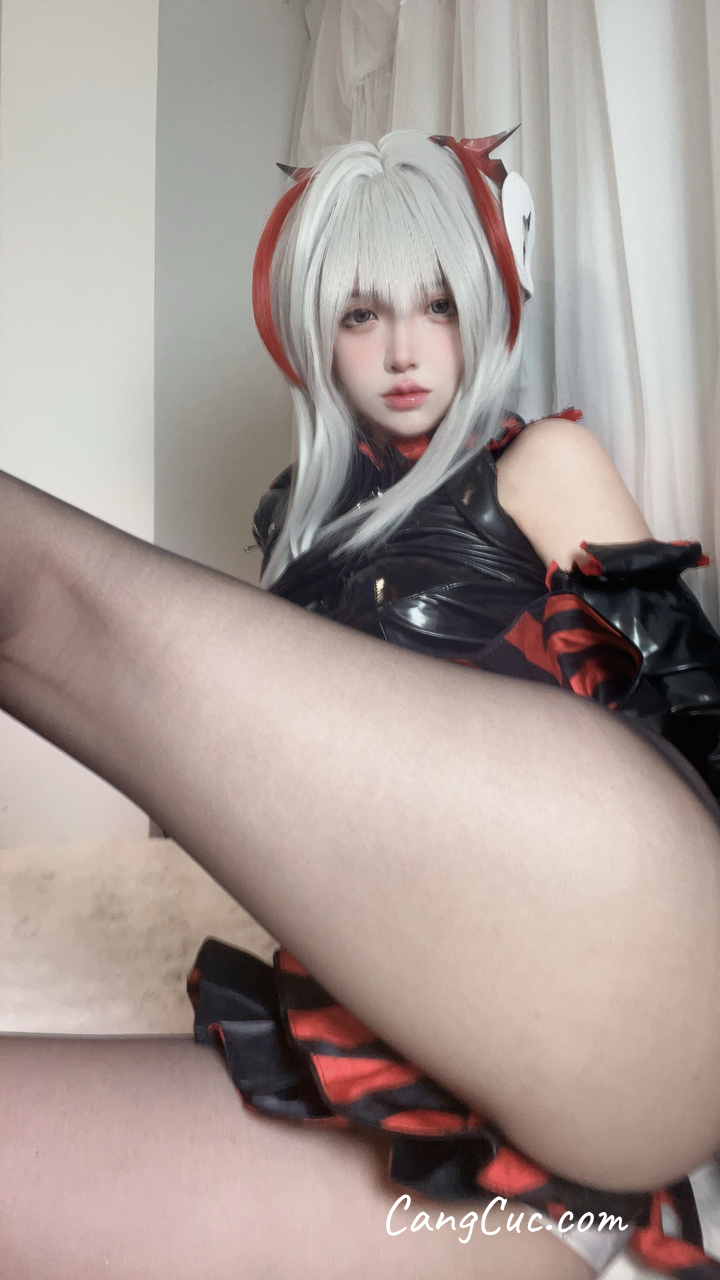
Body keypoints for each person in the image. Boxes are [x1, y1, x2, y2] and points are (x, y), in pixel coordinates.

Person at [2, 130, 720, 1280]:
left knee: (34, 601)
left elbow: (699, 716)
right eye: (360, 313)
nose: (402, 348)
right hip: (472, 1131)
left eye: (438, 304)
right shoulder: (298, 525)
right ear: (312, 333)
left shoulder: (539, 465)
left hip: (624, 953)